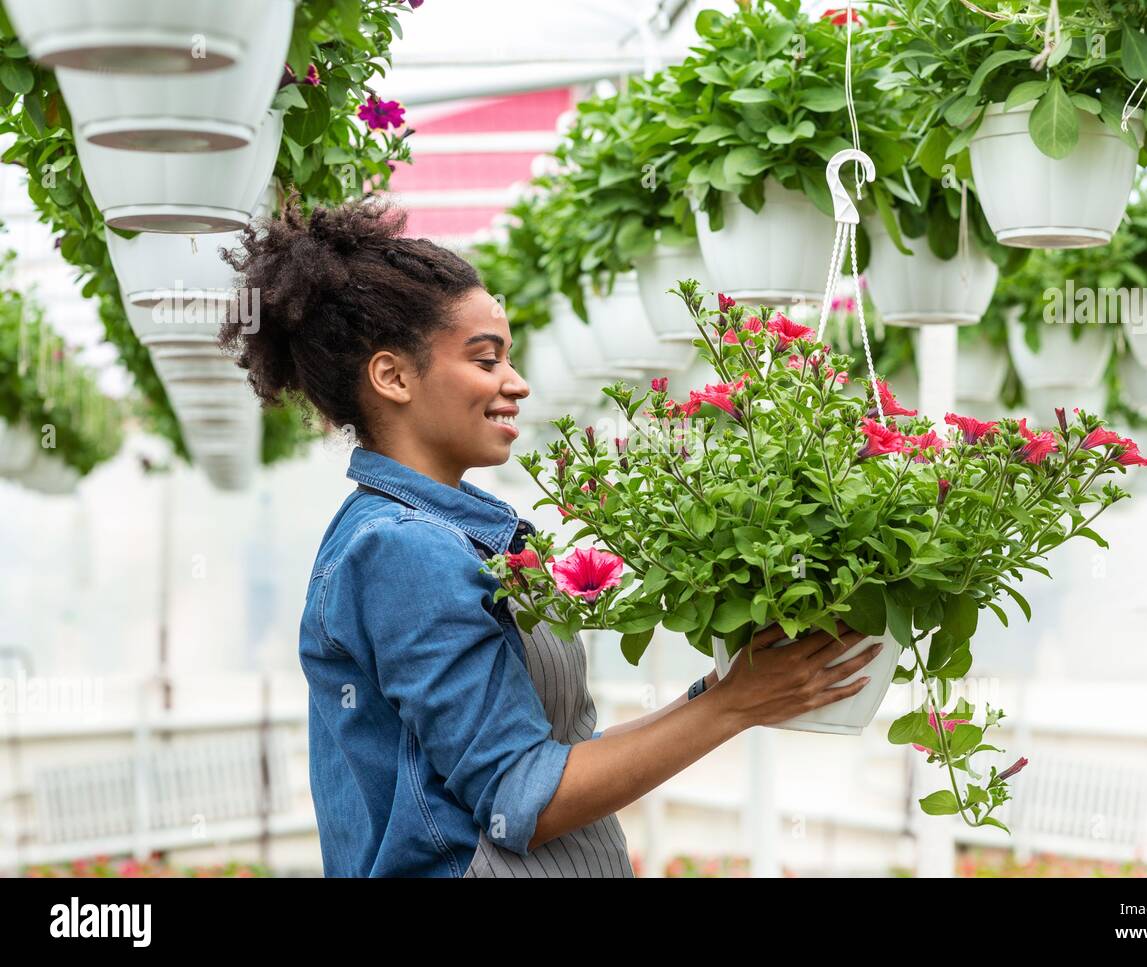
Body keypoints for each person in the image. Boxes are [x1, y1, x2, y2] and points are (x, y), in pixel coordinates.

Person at [218, 195, 886, 878]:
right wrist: (733, 704)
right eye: (486, 360)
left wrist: (719, 689)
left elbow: (555, 755)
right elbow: (521, 798)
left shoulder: (448, 533)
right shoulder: (403, 547)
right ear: (392, 376)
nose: (517, 383)